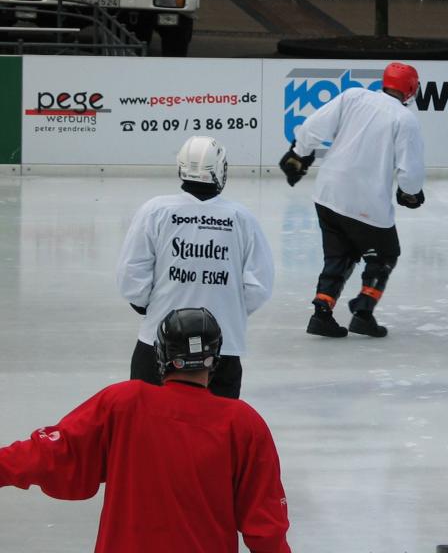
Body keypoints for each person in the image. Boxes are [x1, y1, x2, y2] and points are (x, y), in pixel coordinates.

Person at [0, 308, 291, 553]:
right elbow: (266, 527)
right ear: (215, 358)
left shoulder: (123, 404)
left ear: (161, 354)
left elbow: (51, 453)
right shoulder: (242, 424)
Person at [117, 136, 275, 399]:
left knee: (148, 423)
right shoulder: (241, 218)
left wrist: (142, 301)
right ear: (221, 169)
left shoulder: (156, 211)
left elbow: (132, 269)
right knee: (215, 430)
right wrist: (229, 309)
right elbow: (260, 283)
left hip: (159, 341)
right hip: (223, 347)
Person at [280, 61, 425, 339]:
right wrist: (410, 193)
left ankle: (321, 313)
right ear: (410, 89)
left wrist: (299, 152)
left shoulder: (354, 96)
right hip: (366, 202)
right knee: (385, 255)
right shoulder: (405, 120)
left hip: (328, 194)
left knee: (339, 255)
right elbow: (411, 173)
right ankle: (363, 312)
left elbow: (313, 125)